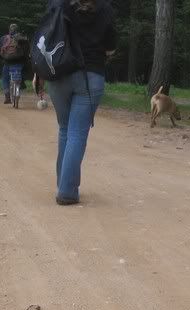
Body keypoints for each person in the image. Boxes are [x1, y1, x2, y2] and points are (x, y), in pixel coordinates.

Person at [45, 0, 116, 205]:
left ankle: (63, 185)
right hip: (90, 76)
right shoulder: (105, 8)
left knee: (65, 128)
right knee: (76, 133)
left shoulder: (57, 3)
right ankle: (67, 191)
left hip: (59, 73)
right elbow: (111, 47)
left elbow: (46, 35)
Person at [0, 24, 29, 104]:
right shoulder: (22, 38)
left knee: (5, 78)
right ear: (17, 30)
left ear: (9, 30)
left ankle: (7, 96)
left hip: (7, 62)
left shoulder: (4, 38)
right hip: (19, 62)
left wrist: (3, 59)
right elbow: (27, 51)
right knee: (20, 77)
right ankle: (19, 88)